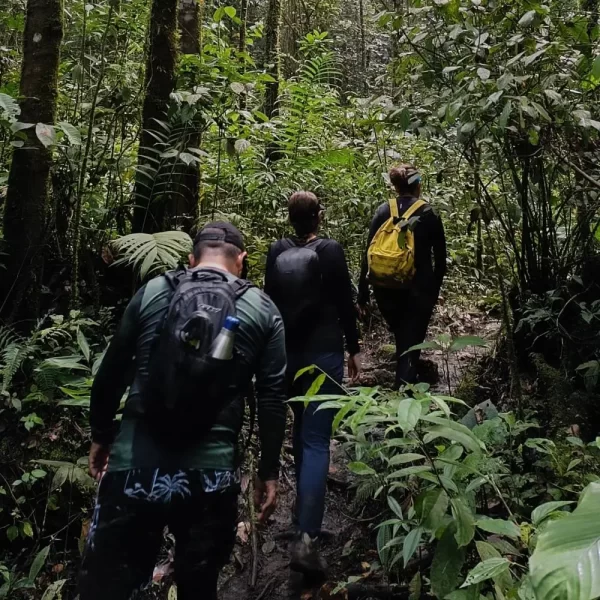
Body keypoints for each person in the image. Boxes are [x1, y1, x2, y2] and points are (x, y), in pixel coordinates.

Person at [78, 222, 287, 600]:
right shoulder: (262, 308)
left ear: (190, 260)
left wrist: (101, 435)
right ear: (241, 261)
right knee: (199, 586)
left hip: (134, 465)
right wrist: (267, 472)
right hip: (211, 478)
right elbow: (272, 398)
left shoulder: (153, 292)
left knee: (108, 587)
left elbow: (111, 374)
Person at [264, 191, 361, 578]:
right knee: (317, 439)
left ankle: (303, 518)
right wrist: (354, 349)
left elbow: (269, 302)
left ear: (290, 219)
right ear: (318, 217)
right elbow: (344, 302)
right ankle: (305, 536)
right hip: (323, 354)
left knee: (302, 428)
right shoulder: (331, 251)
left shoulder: (275, 251)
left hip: (286, 355)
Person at [358, 164, 447, 389]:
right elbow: (441, 258)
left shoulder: (383, 210)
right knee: (412, 338)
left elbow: (368, 253)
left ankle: (405, 383)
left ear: (395, 186)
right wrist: (434, 290)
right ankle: (404, 390)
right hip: (419, 287)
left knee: (403, 336)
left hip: (385, 286)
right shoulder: (429, 213)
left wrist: (362, 293)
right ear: (418, 184)